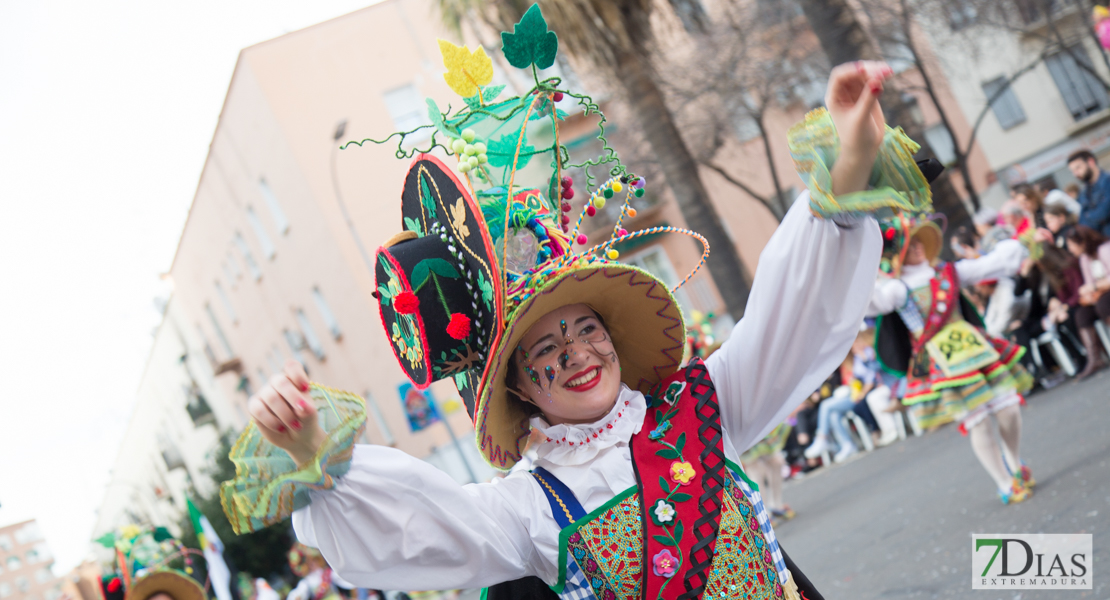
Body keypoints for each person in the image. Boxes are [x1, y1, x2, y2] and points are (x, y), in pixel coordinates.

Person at [220, 39, 930, 600]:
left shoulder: (707, 405)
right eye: (547, 349)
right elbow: (414, 532)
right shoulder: (525, 511)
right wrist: (315, 450)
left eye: (586, 328)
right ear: (521, 387)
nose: (578, 353)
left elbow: (792, 315)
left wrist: (849, 159)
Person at [869, 217, 1035, 504]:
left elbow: (990, 265)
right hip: (940, 360)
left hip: (976, 349)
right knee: (978, 422)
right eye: (911, 242)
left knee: (1009, 409)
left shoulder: (950, 271)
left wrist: (1024, 240)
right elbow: (871, 303)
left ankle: (1014, 461)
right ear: (898, 251)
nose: (918, 246)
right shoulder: (895, 289)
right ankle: (1004, 482)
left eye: (921, 240)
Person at [1065, 225, 1110, 378]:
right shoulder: (1085, 258)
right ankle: (1095, 359)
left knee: (1104, 305)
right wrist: (1089, 294)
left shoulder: (1104, 249)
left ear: (1082, 243)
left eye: (1072, 245)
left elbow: (1097, 283)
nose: (1071, 250)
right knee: (1082, 314)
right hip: (1101, 294)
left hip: (1106, 292)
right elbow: (1088, 282)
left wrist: (1095, 287)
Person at [1067, 149, 1110, 237]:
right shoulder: (1084, 193)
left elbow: (1103, 213)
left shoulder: (1107, 182)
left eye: (1078, 168)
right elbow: (1083, 225)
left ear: (1090, 162)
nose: (1075, 174)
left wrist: (1089, 216)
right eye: (1072, 171)